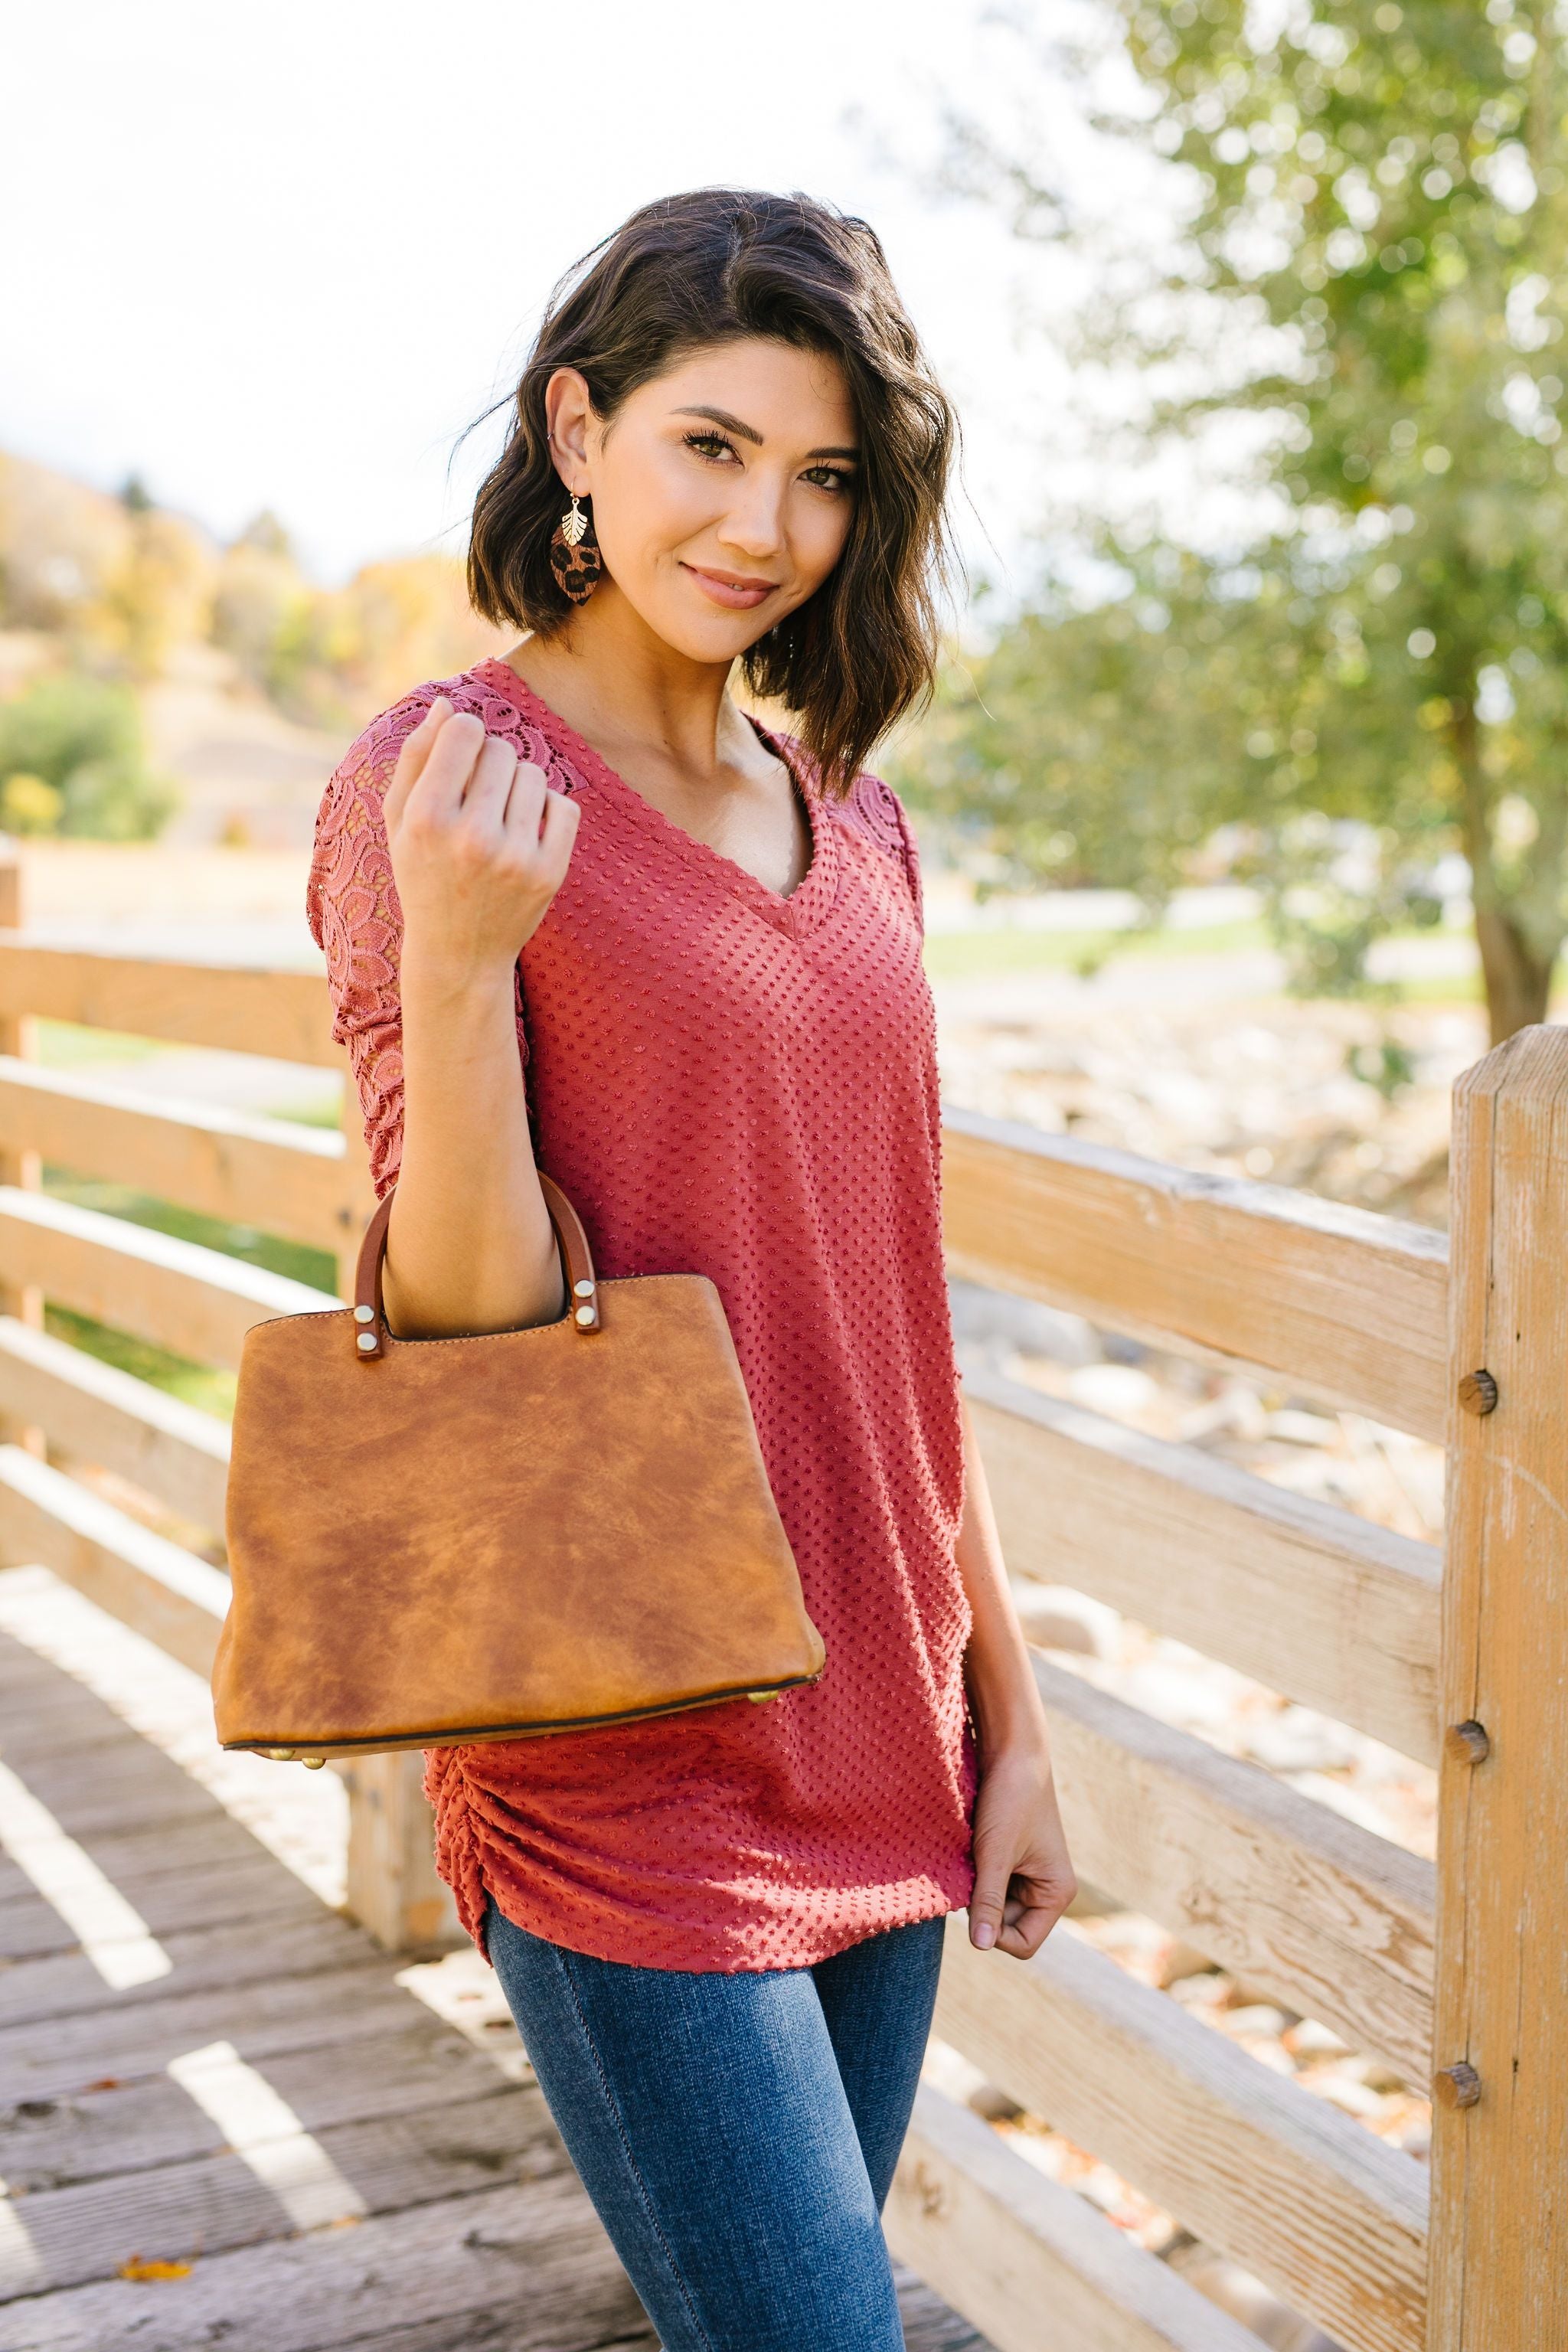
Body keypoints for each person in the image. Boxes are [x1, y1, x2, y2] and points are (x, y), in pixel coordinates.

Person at [308, 185, 1076, 2352]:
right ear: (579, 432)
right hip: (626, 1742)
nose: (764, 526)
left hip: (884, 1715)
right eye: (710, 446)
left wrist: (1012, 1716)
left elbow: (892, 1310)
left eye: (823, 474)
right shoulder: (444, 785)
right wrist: (462, 960)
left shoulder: (858, 815)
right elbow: (458, 1329)